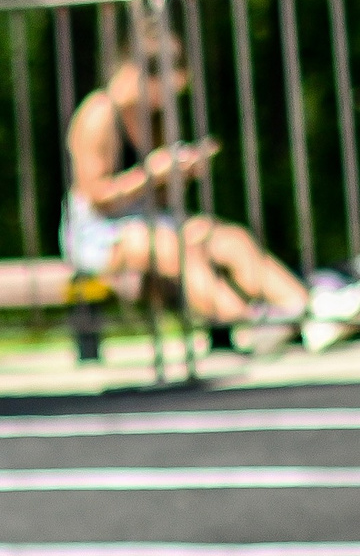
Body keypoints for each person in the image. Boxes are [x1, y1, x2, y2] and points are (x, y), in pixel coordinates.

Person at [63, 18, 308, 330]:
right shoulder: (98, 115)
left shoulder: (152, 118)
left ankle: (307, 312)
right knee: (171, 247)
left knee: (229, 239)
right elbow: (97, 199)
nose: (168, 100)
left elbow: (158, 196)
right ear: (142, 75)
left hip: (149, 220)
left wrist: (179, 173)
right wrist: (150, 173)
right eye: (166, 90)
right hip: (98, 234)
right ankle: (245, 324)